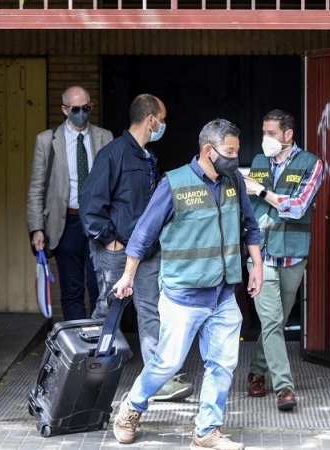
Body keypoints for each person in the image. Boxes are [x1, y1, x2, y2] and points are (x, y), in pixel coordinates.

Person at [111, 118, 264, 450]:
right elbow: (142, 235)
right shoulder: (175, 184)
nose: (235, 158)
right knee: (168, 362)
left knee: (223, 364)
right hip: (183, 295)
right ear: (208, 151)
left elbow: (250, 226)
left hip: (224, 294)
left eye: (237, 151)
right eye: (230, 152)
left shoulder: (234, 180)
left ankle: (206, 430)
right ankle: (132, 407)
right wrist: (128, 276)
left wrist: (257, 267)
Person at [80, 93, 193, 402]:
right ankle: (87, 376)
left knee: (151, 310)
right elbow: (90, 204)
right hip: (117, 251)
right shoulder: (113, 155)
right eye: (163, 119)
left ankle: (158, 379)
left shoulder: (148, 158)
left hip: (147, 251)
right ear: (151, 120)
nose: (164, 125)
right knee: (108, 311)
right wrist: (110, 240)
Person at [242, 109, 325, 411]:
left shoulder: (311, 164)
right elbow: (249, 204)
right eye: (263, 133)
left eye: (271, 133)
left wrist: (262, 190)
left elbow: (298, 207)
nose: (266, 139)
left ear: (288, 134)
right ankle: (284, 389)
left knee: (274, 322)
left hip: (292, 256)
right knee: (273, 320)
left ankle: (255, 371)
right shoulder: (259, 162)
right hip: (260, 256)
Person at [27, 86, 114, 320]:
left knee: (101, 287)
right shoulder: (47, 141)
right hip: (66, 223)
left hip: (97, 221)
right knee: (71, 289)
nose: (82, 113)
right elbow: (37, 187)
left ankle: (101, 344)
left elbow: (114, 184)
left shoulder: (105, 137)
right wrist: (37, 228)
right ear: (65, 109)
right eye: (76, 109)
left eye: (87, 108)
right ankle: (79, 344)